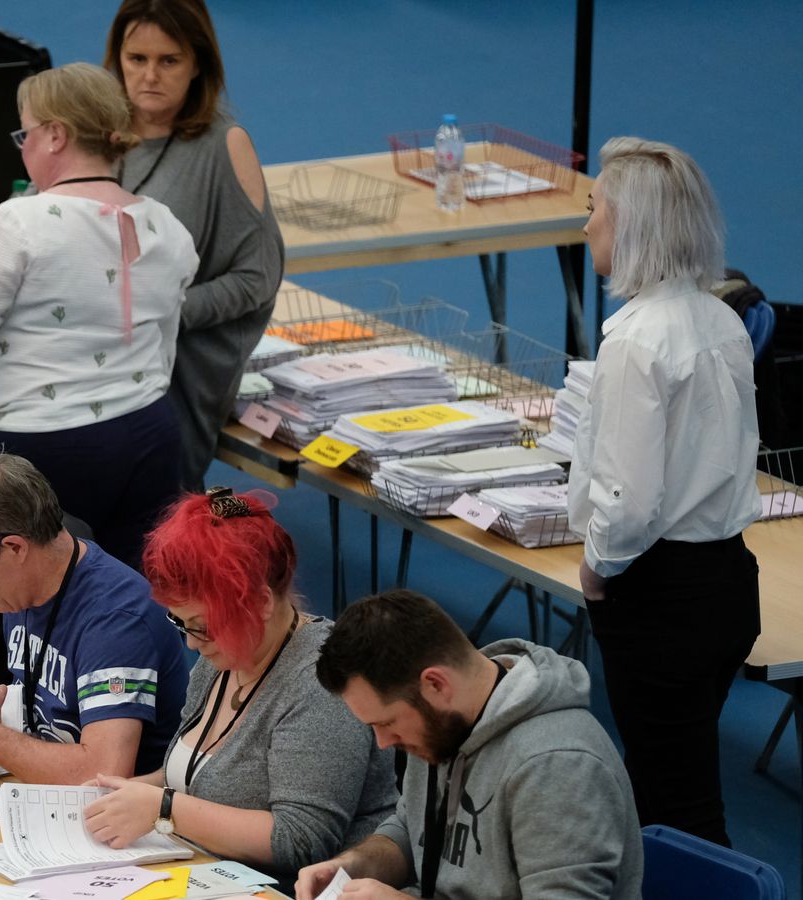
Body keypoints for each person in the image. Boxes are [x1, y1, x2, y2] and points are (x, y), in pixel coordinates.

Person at [0, 62, 198, 569]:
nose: (22, 146)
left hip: (41, 449)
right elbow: (160, 347)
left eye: (26, 132)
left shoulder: (19, 220)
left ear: (56, 135)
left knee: (31, 603)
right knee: (137, 594)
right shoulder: (166, 225)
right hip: (149, 437)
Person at [569, 136, 761, 846]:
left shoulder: (635, 342)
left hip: (659, 595)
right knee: (667, 785)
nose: (586, 223)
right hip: (727, 581)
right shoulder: (721, 319)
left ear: (631, 223)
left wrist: (596, 573)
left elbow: (627, 502)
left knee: (677, 810)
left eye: (596, 208)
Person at [83, 488, 395, 879]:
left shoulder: (321, 684)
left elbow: (301, 841)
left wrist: (163, 809)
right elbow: (196, 775)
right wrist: (113, 798)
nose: (191, 643)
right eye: (179, 623)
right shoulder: (229, 653)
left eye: (201, 627)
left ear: (261, 603)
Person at [295, 590, 642, 900]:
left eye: (387, 723)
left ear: (435, 684)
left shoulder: (559, 766)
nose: (385, 743)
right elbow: (410, 829)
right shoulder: (442, 725)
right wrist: (353, 865)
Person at [0, 448, 187, 784]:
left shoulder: (115, 619)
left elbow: (102, 773)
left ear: (15, 548)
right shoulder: (24, 590)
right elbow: (41, 715)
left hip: (116, 821)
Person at [104, 0, 286, 490]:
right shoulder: (97, 134)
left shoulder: (225, 145)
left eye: (169, 61)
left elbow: (258, 277)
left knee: (147, 522)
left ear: (198, 63)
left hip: (173, 377)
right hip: (89, 360)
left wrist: (161, 309)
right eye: (136, 59)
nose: (149, 76)